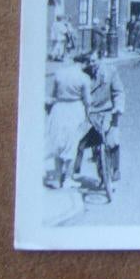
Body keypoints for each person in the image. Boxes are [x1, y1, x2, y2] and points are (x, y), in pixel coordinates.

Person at [73, 50, 125, 183]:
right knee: (80, 142)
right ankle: (74, 172)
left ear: (100, 60)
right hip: (91, 115)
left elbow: (118, 92)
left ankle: (115, 169)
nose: (92, 64)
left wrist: (118, 107)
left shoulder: (110, 72)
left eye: (94, 61)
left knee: (112, 139)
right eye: (89, 61)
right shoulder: (84, 74)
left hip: (107, 112)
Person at [45, 54, 91, 188]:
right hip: (75, 109)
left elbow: (52, 95)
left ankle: (57, 178)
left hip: (59, 108)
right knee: (72, 144)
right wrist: (88, 115)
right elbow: (87, 101)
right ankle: (68, 179)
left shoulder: (59, 74)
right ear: (84, 64)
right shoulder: (84, 78)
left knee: (58, 142)